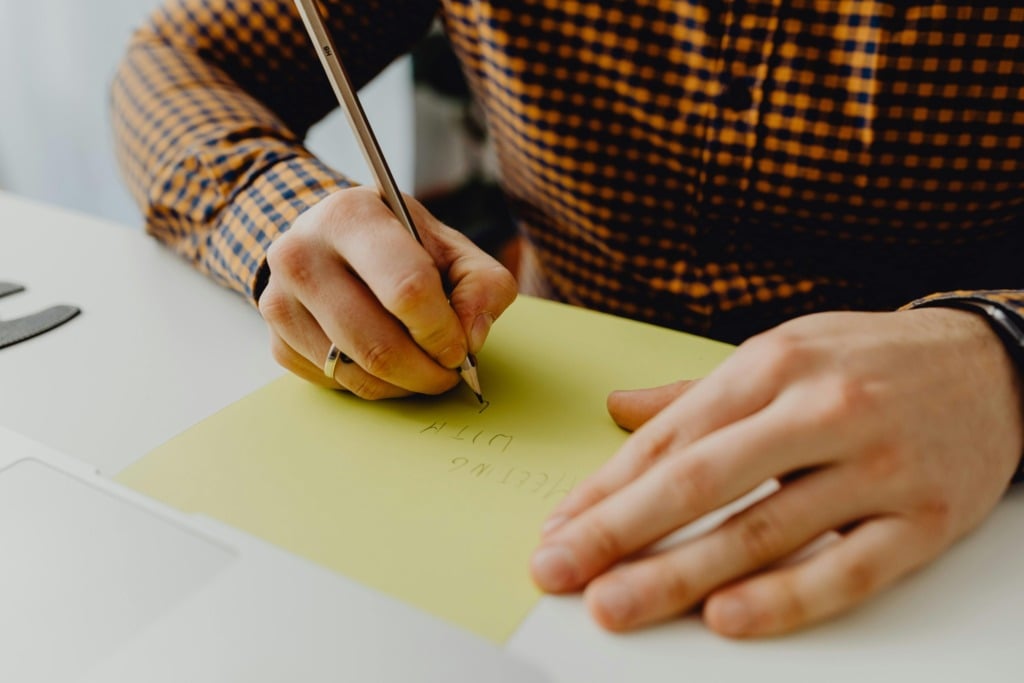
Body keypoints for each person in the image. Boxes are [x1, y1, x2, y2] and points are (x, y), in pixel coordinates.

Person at [111, 1, 1024, 638]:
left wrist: (1000, 352)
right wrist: (291, 221)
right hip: (531, 369)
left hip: (956, 513)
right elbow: (180, 63)